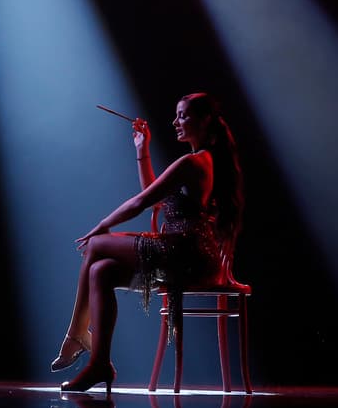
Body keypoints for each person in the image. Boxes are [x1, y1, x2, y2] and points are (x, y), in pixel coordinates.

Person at [50, 92, 244, 392]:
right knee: (100, 271)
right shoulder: (198, 161)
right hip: (183, 253)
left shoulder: (194, 162)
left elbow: (141, 201)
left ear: (205, 120)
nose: (175, 122)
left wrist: (101, 226)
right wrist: (143, 149)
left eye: (183, 115)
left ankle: (76, 334)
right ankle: (99, 363)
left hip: (186, 253)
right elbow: (155, 198)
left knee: (96, 245)